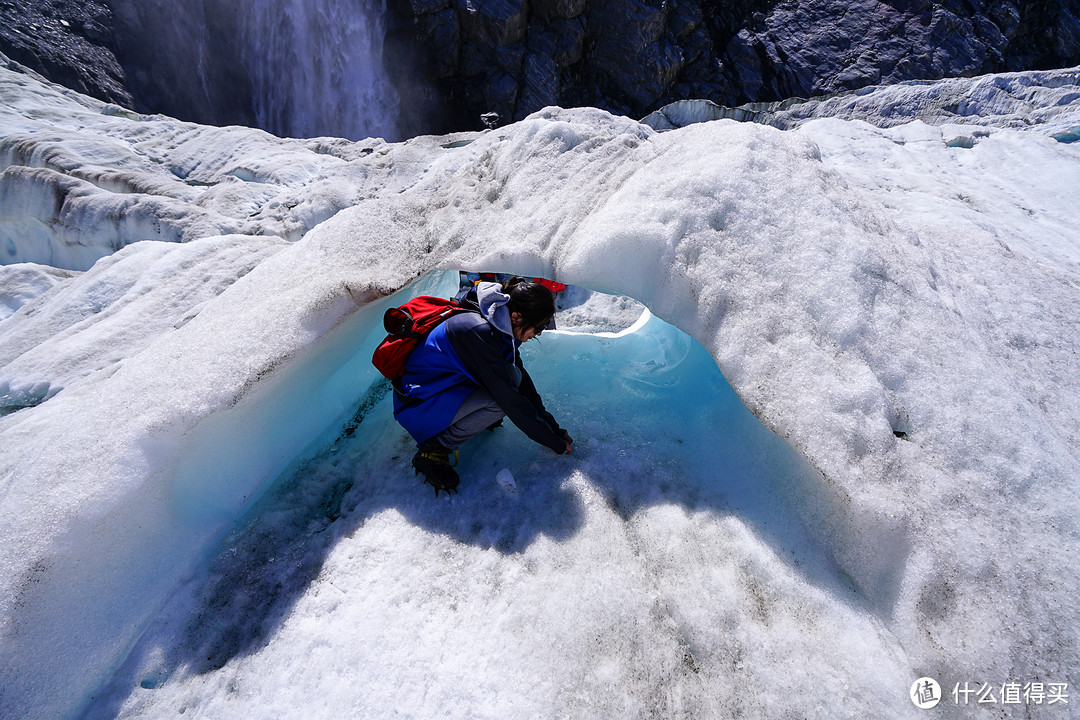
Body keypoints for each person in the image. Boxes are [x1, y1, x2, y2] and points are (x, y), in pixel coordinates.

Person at [392, 277, 574, 494]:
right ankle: (435, 448)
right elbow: (511, 401)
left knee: (511, 379)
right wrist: (554, 444)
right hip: (418, 405)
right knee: (499, 402)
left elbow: (521, 381)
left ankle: (465, 421)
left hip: (437, 391)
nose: (540, 333)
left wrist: (553, 430)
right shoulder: (478, 332)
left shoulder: (497, 319)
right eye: (539, 326)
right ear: (517, 317)